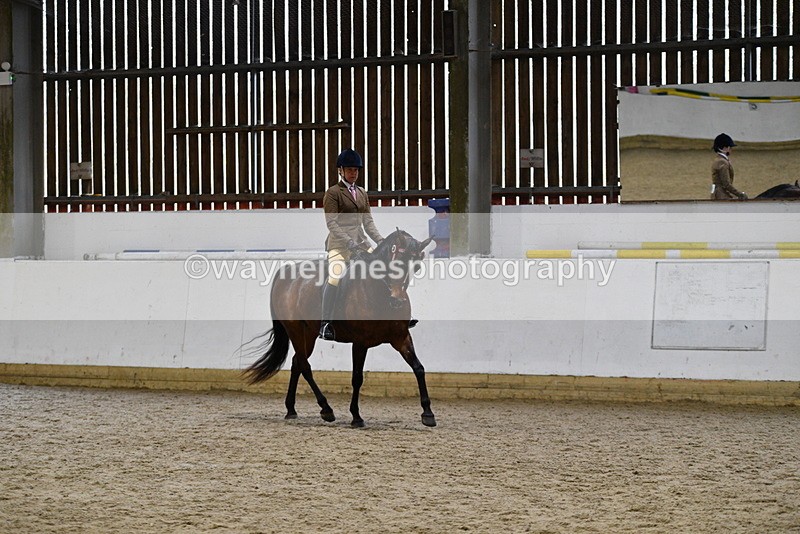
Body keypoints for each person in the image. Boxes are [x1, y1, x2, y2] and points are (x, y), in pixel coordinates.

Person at [319, 149, 385, 341]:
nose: (353, 173)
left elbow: (368, 222)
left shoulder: (362, 193)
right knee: (335, 276)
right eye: (349, 170)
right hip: (339, 245)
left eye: (356, 170)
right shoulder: (332, 193)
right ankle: (325, 324)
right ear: (341, 170)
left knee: (386, 267)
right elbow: (332, 223)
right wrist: (349, 242)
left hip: (361, 243)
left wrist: (380, 241)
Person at [710, 133, 747, 200]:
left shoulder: (718, 159)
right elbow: (726, 184)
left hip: (718, 193)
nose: (731, 150)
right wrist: (740, 194)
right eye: (730, 147)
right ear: (725, 148)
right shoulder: (722, 162)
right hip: (722, 196)